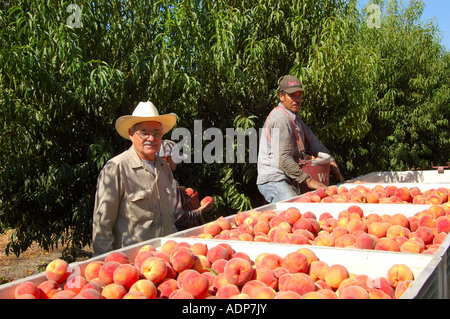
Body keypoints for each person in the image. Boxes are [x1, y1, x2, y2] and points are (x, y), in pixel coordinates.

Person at [92, 101, 177, 256]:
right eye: (144, 132)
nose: (151, 138)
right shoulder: (117, 168)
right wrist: (106, 264)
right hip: (132, 265)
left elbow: (169, 218)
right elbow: (102, 226)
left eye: (157, 133)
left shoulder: (164, 168)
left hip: (164, 262)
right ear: (131, 134)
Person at [257, 75, 344, 203]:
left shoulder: (294, 117)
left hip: (289, 176)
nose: (297, 99)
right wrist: (309, 180)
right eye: (292, 95)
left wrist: (331, 161)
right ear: (281, 96)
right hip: (274, 179)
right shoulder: (281, 119)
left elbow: (314, 144)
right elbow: (283, 159)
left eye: (299, 95)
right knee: (296, 209)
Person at [158, 140, 212, 231]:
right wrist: (200, 211)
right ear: (167, 158)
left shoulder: (147, 178)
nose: (178, 161)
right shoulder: (171, 182)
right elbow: (179, 217)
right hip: (169, 234)